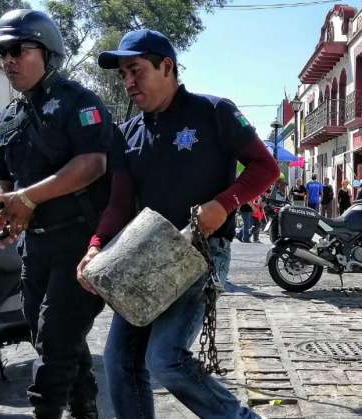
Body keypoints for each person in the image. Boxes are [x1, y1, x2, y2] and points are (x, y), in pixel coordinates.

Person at [76, 29, 278, 419]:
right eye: (123, 74)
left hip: (199, 252)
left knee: (165, 358)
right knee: (119, 361)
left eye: (135, 70)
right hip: (142, 257)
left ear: (166, 66)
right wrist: (96, 245)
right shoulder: (126, 134)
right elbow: (119, 203)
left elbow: (265, 167)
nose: (128, 81)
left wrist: (224, 203)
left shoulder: (213, 112)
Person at [0, 9, 113, 419]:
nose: (8, 60)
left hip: (78, 244)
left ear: (48, 52)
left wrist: (29, 198)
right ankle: (86, 408)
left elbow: (93, 163)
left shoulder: (79, 103)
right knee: (53, 339)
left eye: (18, 49)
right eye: (2, 52)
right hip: (33, 249)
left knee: (53, 347)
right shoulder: (9, 116)